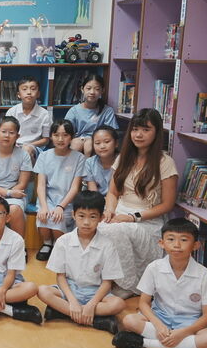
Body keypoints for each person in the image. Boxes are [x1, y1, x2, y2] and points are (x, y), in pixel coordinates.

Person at [112, 218, 207, 348]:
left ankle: (143, 343)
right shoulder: (154, 267)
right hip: (160, 316)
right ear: (161, 243)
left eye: (184, 240)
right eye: (170, 239)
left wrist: (184, 332)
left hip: (189, 322)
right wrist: (158, 325)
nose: (176, 245)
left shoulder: (205, 275)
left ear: (196, 245)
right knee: (129, 321)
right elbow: (143, 303)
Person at [99, 108, 179, 296]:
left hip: (146, 220)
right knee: (95, 227)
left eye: (145, 129)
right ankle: (103, 280)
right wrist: (109, 211)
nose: (138, 134)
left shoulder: (165, 162)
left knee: (114, 231)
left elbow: (167, 205)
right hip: (119, 212)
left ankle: (128, 285)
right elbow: (112, 192)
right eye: (135, 129)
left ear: (157, 132)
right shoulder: (123, 158)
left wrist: (132, 217)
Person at [37, 191, 126, 334]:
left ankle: (65, 313)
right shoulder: (63, 241)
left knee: (118, 304)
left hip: (95, 292)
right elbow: (60, 276)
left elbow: (107, 283)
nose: (86, 222)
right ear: (73, 215)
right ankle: (91, 319)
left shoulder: (107, 245)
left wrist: (92, 304)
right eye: (81, 216)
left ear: (101, 218)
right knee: (42, 291)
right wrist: (72, 301)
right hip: (70, 289)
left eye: (93, 217)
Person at [33, 119, 86, 261]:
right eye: (56, 135)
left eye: (65, 135)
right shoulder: (44, 156)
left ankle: (59, 244)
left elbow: (75, 187)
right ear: (51, 136)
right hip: (48, 198)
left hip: (67, 200)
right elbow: (41, 185)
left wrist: (61, 206)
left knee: (57, 219)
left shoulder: (79, 158)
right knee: (44, 216)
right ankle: (47, 243)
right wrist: (44, 206)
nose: (60, 139)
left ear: (71, 137)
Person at [65, 74, 117, 156]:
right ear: (82, 89)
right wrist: (81, 140)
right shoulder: (74, 111)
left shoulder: (107, 111)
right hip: (77, 141)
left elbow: (111, 133)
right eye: (88, 88)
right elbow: (66, 132)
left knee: (88, 145)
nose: (92, 92)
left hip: (99, 142)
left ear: (102, 90)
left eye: (97, 89)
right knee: (76, 145)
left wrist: (92, 140)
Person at [4, 76, 51, 161]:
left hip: (35, 147)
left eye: (33, 89)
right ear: (18, 94)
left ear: (38, 94)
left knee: (26, 150)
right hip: (14, 145)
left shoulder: (44, 114)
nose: (29, 92)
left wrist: (29, 145)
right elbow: (7, 134)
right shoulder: (12, 112)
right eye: (24, 89)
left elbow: (46, 139)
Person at [85, 125, 119, 196]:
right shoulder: (89, 163)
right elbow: (93, 192)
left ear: (116, 143)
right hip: (97, 200)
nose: (102, 146)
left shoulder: (122, 161)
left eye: (107, 142)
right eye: (97, 143)